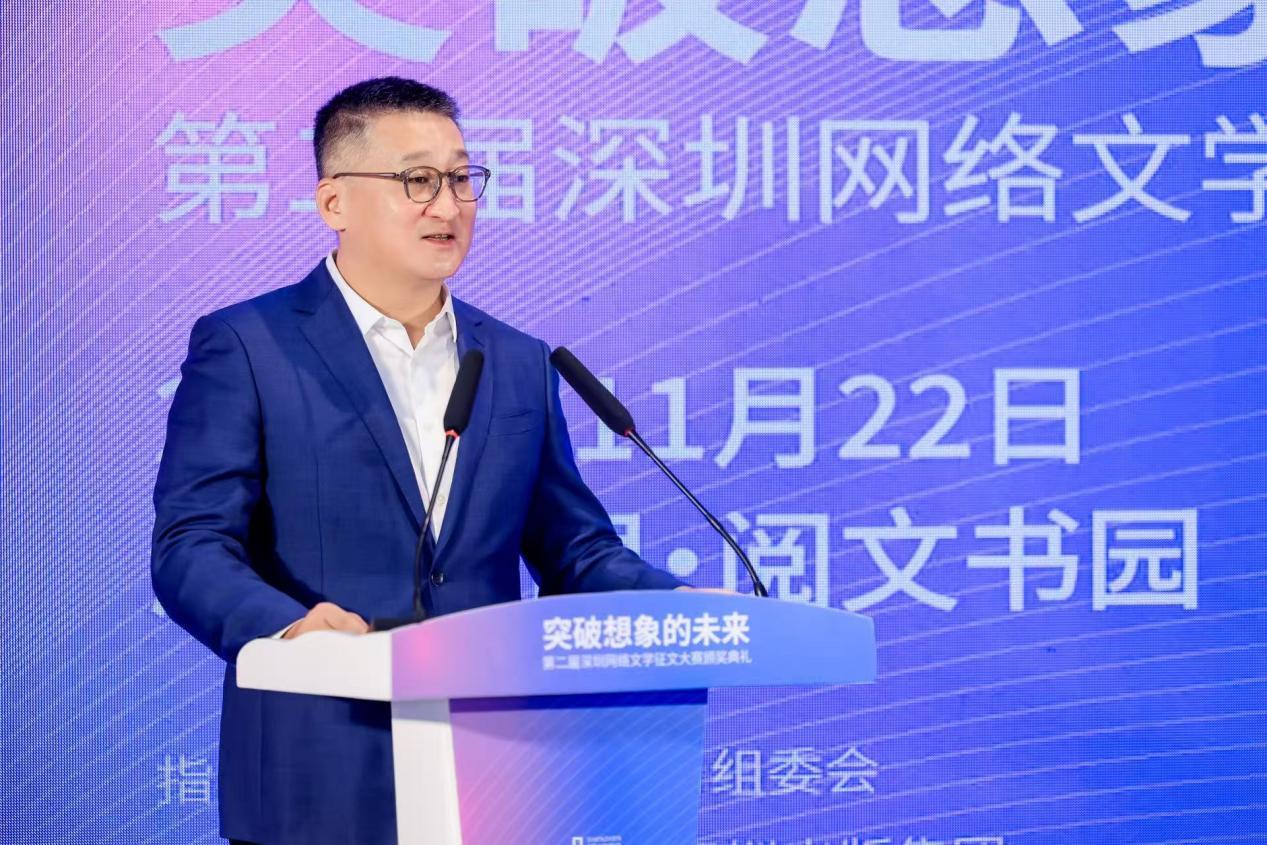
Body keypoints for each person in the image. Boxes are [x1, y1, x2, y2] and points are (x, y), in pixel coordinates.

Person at [151, 76, 687, 845]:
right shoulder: (248, 345)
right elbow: (191, 544)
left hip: (494, 774)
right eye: (417, 180)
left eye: (463, 179)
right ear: (334, 202)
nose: (449, 205)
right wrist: (289, 629)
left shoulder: (517, 359)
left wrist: (675, 602)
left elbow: (574, 547)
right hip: (318, 770)